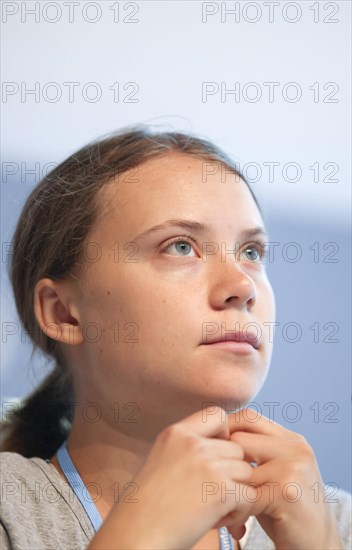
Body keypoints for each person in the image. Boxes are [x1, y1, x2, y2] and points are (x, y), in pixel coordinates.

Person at [0, 126, 350, 550]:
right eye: (181, 247)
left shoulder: (335, 524)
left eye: (251, 252)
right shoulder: (10, 511)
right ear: (63, 312)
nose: (242, 285)